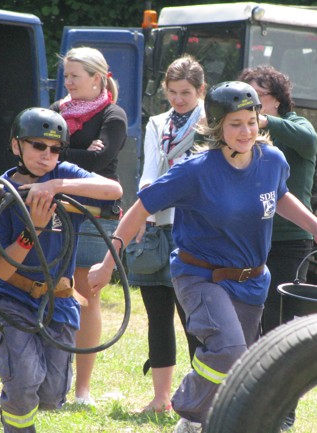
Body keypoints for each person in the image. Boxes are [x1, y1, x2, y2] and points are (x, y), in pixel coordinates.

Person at [87, 81, 317, 432]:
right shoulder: (196, 170)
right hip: (199, 276)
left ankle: (213, 421)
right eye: (235, 124)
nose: (246, 131)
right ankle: (189, 414)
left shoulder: (273, 161)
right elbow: (141, 207)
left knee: (238, 365)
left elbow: (279, 197)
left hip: (252, 281)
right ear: (217, 127)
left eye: (251, 121)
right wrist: (108, 262)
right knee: (229, 350)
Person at [0, 107, 122, 433]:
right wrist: (32, 231)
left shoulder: (65, 174)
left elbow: (114, 191)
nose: (47, 155)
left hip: (59, 299)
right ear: (16, 146)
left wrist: (55, 186)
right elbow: (1, 272)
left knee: (51, 395)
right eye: (38, 146)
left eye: (54, 148)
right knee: (24, 383)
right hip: (13, 296)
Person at [238, 64, 317, 431]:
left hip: (289, 244)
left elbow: (307, 140)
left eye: (257, 100)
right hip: (251, 241)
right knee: (245, 326)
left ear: (278, 99)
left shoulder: (297, 125)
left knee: (281, 329)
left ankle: (284, 414)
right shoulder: (242, 136)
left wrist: (264, 123)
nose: (251, 109)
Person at [50, 46, 127, 405]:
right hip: (54, 212)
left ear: (97, 78)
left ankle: (82, 390)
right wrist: (80, 155)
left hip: (97, 216)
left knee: (86, 296)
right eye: (66, 76)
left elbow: (103, 158)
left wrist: (58, 154)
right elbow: (38, 155)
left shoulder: (114, 115)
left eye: (74, 76)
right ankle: (52, 381)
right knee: (52, 290)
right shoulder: (55, 113)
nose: (67, 83)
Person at [129, 55, 204, 413]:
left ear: (200, 91)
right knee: (157, 315)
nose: (178, 99)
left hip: (193, 225)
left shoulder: (210, 120)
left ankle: (199, 399)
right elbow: (148, 171)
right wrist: (142, 211)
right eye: (172, 92)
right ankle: (161, 399)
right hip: (158, 223)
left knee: (193, 318)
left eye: (186, 93)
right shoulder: (157, 123)